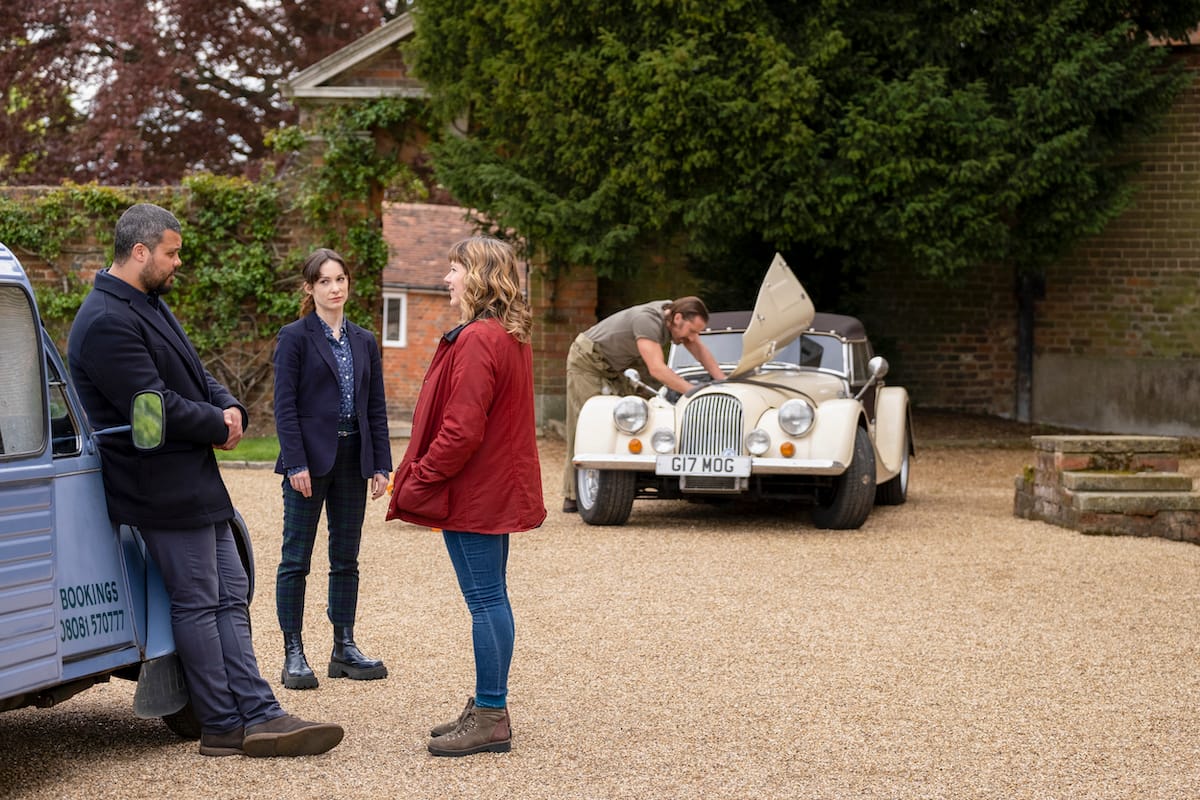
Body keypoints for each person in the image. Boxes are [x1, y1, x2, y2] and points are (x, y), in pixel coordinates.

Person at [68, 203, 344, 758]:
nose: (177, 263)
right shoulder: (104, 321)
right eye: (171, 253)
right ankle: (221, 724)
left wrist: (229, 404)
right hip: (157, 485)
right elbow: (153, 407)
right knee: (198, 600)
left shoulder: (145, 303)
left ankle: (260, 711)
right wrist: (216, 424)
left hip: (191, 478)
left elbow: (194, 372)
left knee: (230, 593)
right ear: (140, 251)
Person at [386, 236, 545, 757]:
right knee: (493, 596)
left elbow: (461, 430)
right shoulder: (507, 333)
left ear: (477, 277)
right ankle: (487, 704)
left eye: (455, 270)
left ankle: (493, 714)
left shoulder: (479, 338)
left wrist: (421, 476)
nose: (447, 280)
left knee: (485, 600)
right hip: (492, 488)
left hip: (475, 492)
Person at [272, 247, 392, 690]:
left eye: (340, 279)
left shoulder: (364, 340)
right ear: (310, 288)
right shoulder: (295, 337)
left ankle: (343, 645)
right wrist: (296, 462)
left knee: (346, 558)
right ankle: (293, 651)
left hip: (351, 459)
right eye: (324, 281)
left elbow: (374, 407)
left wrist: (381, 463)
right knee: (295, 560)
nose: (334, 288)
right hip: (308, 462)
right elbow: (283, 406)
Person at [561, 297, 725, 512]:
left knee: (623, 422)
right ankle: (573, 496)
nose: (693, 337)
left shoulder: (673, 317)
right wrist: (692, 391)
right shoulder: (648, 321)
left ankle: (616, 485)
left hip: (612, 367)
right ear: (677, 318)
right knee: (587, 424)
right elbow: (656, 369)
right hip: (587, 361)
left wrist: (722, 382)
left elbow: (698, 348)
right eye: (692, 330)